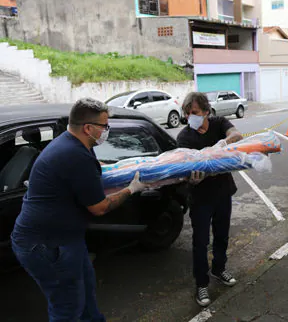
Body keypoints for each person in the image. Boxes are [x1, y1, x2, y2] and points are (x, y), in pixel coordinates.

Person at [10, 98, 147, 322]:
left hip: (66, 239)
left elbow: (90, 176)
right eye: (105, 126)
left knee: (85, 293)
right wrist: (132, 189)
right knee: (67, 307)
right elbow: (99, 208)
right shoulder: (73, 154)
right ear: (88, 128)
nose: (107, 131)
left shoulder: (75, 145)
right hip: (46, 245)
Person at [176, 92, 243, 307]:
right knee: (200, 242)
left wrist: (223, 143)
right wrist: (192, 180)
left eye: (194, 112)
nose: (190, 117)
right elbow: (183, 169)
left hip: (223, 192)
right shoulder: (184, 137)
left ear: (206, 111)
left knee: (222, 236)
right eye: (187, 113)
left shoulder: (218, 123)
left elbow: (236, 135)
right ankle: (201, 283)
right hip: (200, 198)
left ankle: (219, 268)